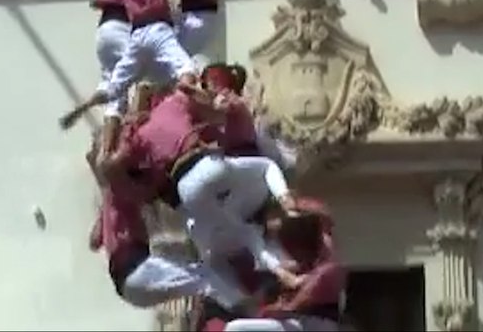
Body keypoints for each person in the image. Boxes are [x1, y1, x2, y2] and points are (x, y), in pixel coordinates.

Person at [102, 88, 300, 285]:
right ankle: (289, 206)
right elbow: (216, 114)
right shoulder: (174, 103)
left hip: (187, 194)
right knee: (266, 167)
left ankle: (276, 274)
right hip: (208, 166)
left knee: (243, 234)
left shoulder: (138, 138)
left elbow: (111, 166)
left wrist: (127, 128)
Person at [86, 115, 250, 313]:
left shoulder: (109, 198)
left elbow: (94, 242)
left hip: (129, 290)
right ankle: (251, 308)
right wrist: (121, 125)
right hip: (138, 271)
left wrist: (104, 215)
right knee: (206, 278)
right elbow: (113, 165)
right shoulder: (116, 182)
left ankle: (237, 306)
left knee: (204, 276)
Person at [58, 0, 201, 150]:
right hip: (158, 31)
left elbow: (98, 0)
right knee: (186, 68)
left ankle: (86, 105)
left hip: (136, 36)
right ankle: (189, 95)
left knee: (115, 87)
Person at [225, 201, 346, 332]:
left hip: (316, 324)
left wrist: (276, 308)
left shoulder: (327, 256)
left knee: (236, 329)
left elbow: (297, 302)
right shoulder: (310, 258)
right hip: (305, 320)